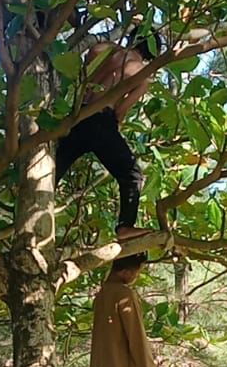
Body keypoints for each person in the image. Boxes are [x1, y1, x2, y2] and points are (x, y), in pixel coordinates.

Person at [57, 33, 159, 239]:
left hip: (78, 115)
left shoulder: (107, 50)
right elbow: (121, 111)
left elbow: (90, 54)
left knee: (52, 172)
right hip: (102, 120)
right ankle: (125, 226)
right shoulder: (143, 73)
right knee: (132, 176)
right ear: (151, 54)